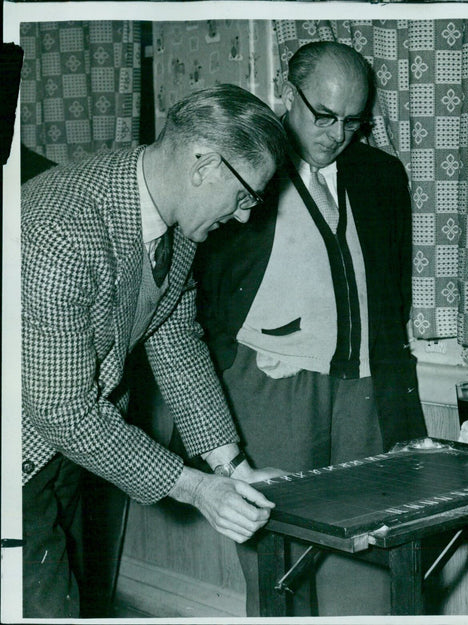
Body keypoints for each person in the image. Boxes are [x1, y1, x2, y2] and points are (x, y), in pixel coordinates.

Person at [21, 84, 288, 618]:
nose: (242, 217)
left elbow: (173, 337)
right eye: (244, 196)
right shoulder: (57, 231)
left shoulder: (176, 219)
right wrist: (193, 487)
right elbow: (63, 411)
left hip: (69, 454)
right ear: (205, 163)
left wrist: (231, 466)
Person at [193, 42, 427, 615]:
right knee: (279, 556)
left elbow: (391, 293)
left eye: (352, 122)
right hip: (269, 387)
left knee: (371, 544)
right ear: (285, 91)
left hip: (362, 387)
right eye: (323, 115)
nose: (336, 133)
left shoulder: (381, 176)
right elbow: (201, 286)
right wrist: (233, 366)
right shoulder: (238, 164)